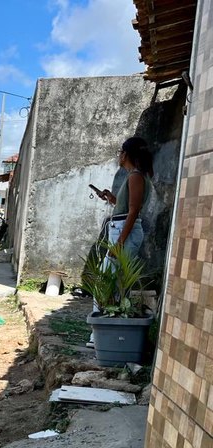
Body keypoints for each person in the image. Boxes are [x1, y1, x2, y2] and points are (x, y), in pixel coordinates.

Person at [87, 136, 153, 346]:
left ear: (125, 154)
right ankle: (102, 333)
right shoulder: (133, 176)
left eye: (120, 152)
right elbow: (127, 207)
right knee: (110, 283)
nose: (119, 156)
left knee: (104, 282)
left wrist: (120, 243)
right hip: (123, 230)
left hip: (125, 233)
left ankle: (98, 334)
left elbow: (134, 211)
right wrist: (112, 198)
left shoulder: (135, 176)